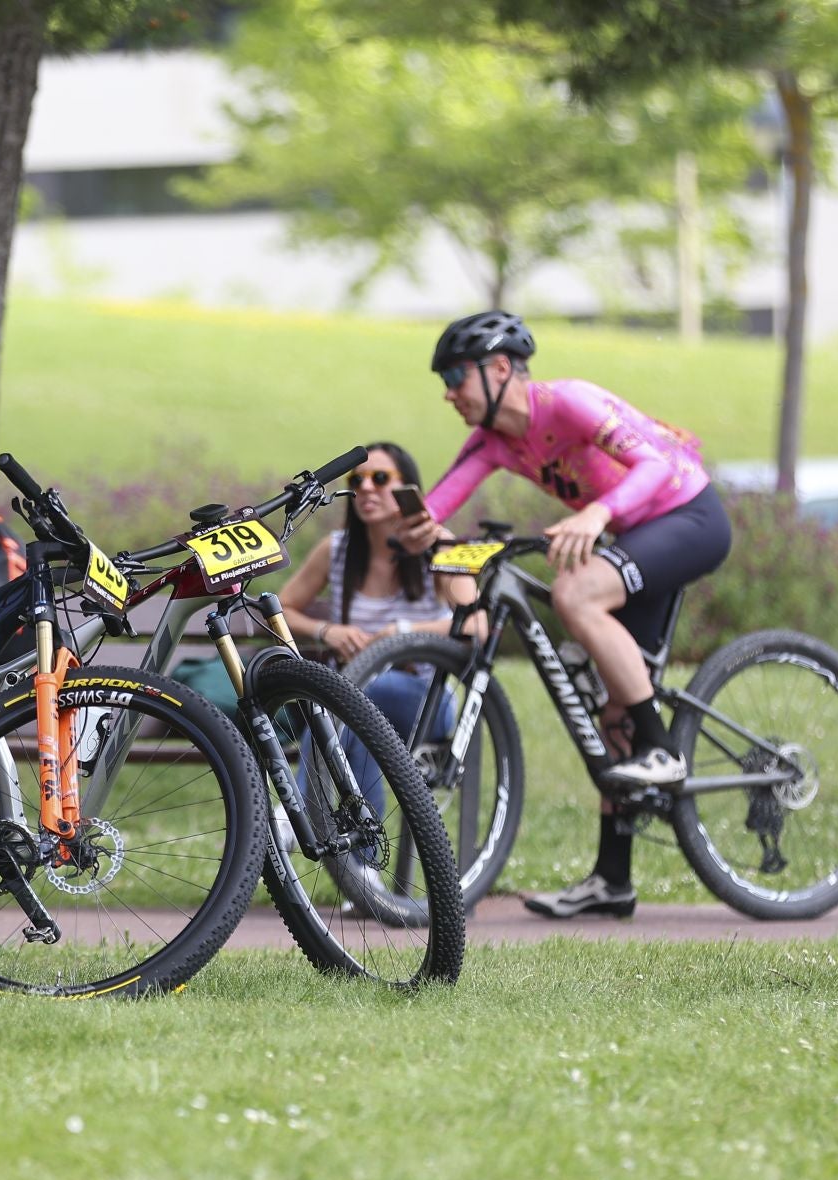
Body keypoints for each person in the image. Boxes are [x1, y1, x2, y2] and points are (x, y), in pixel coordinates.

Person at [408, 310, 732, 920]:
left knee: (575, 594)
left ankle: (663, 750)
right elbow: (436, 508)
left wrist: (595, 514)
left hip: (687, 516)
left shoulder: (568, 402)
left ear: (500, 369)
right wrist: (416, 530)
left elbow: (656, 465)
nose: (449, 393)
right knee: (609, 706)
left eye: (456, 376)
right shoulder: (494, 441)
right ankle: (613, 879)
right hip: (631, 537)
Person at [276, 442, 480, 835]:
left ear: (408, 489)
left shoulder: (440, 544)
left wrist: (399, 635)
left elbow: (477, 624)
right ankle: (365, 863)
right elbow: (282, 608)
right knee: (358, 718)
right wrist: (328, 631)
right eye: (358, 481)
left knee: (353, 697)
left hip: (425, 702)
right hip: (354, 700)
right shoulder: (336, 550)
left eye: (381, 478)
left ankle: (295, 813)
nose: (367, 488)